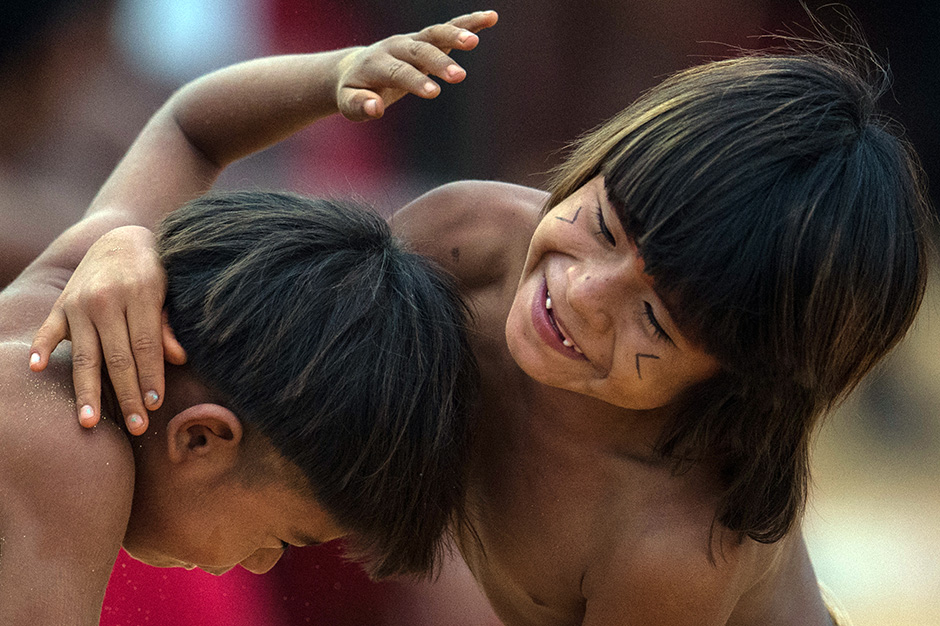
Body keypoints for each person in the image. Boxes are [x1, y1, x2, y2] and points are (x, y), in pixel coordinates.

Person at [31, 11, 929, 626]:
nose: (583, 295)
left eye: (654, 323)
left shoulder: (667, 541)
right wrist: (126, 244)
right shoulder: (471, 241)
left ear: (733, 382)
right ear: (593, 166)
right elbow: (256, 321)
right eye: (602, 225)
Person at [0, 14, 494, 625]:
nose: (260, 564)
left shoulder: (66, 283)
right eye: (281, 539)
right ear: (201, 439)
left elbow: (191, 132)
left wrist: (336, 74)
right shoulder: (77, 456)